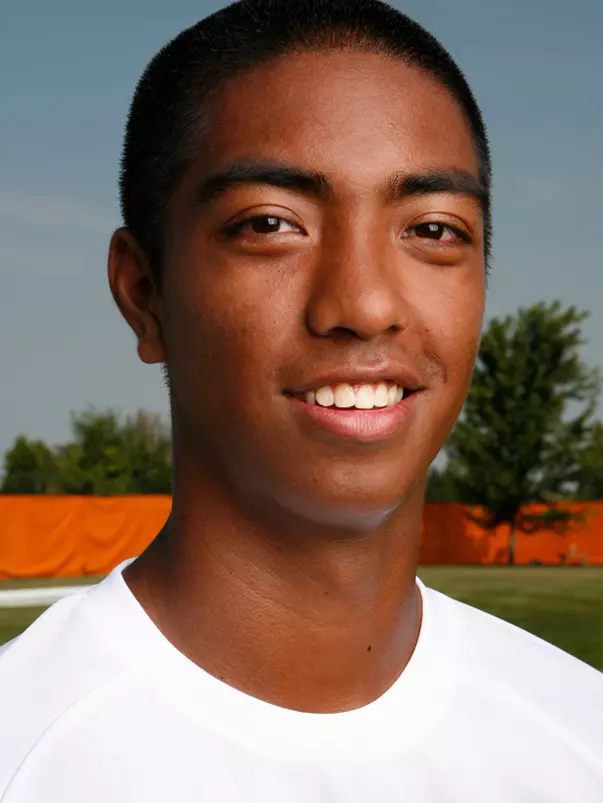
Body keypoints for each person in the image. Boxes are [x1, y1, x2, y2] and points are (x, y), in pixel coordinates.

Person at [1, 0, 602, 799]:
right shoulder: (25, 740)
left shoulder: (577, 732)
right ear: (144, 291)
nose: (361, 302)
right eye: (271, 223)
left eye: (431, 229)